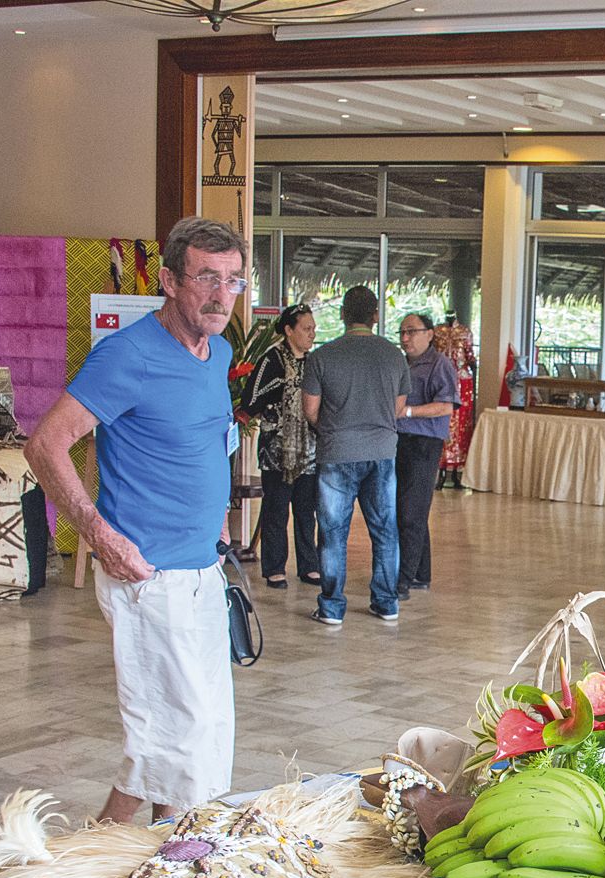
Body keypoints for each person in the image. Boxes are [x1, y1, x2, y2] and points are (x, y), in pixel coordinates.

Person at [25, 216, 244, 823]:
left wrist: (221, 522)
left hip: (201, 567)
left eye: (233, 280)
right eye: (206, 278)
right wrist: (97, 534)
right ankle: (101, 866)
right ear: (171, 281)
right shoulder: (126, 355)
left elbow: (208, 441)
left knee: (194, 737)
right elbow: (45, 445)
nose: (221, 294)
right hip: (147, 572)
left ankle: (168, 859)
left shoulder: (217, 351)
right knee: (167, 740)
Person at [302, 285, 407, 628]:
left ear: (343, 315)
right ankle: (386, 602)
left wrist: (335, 428)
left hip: (336, 452)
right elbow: (398, 409)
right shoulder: (394, 355)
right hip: (381, 452)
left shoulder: (322, 356)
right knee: (385, 531)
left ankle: (332, 607)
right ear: (376, 316)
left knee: (333, 534)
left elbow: (311, 411)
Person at [244, 303, 319, 587]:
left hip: (310, 450)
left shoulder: (314, 362)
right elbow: (253, 399)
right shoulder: (271, 360)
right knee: (276, 510)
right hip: (277, 451)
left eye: (313, 328)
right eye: (306, 328)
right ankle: (274, 567)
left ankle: (309, 566)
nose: (312, 333)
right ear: (289, 331)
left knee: (306, 510)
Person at [393, 311, 459, 600]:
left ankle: (403, 578)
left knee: (411, 510)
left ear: (429, 334)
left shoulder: (439, 364)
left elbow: (446, 406)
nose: (406, 338)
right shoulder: (399, 363)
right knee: (409, 509)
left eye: (412, 332)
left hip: (424, 442)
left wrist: (408, 412)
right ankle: (421, 572)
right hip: (398, 440)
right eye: (402, 333)